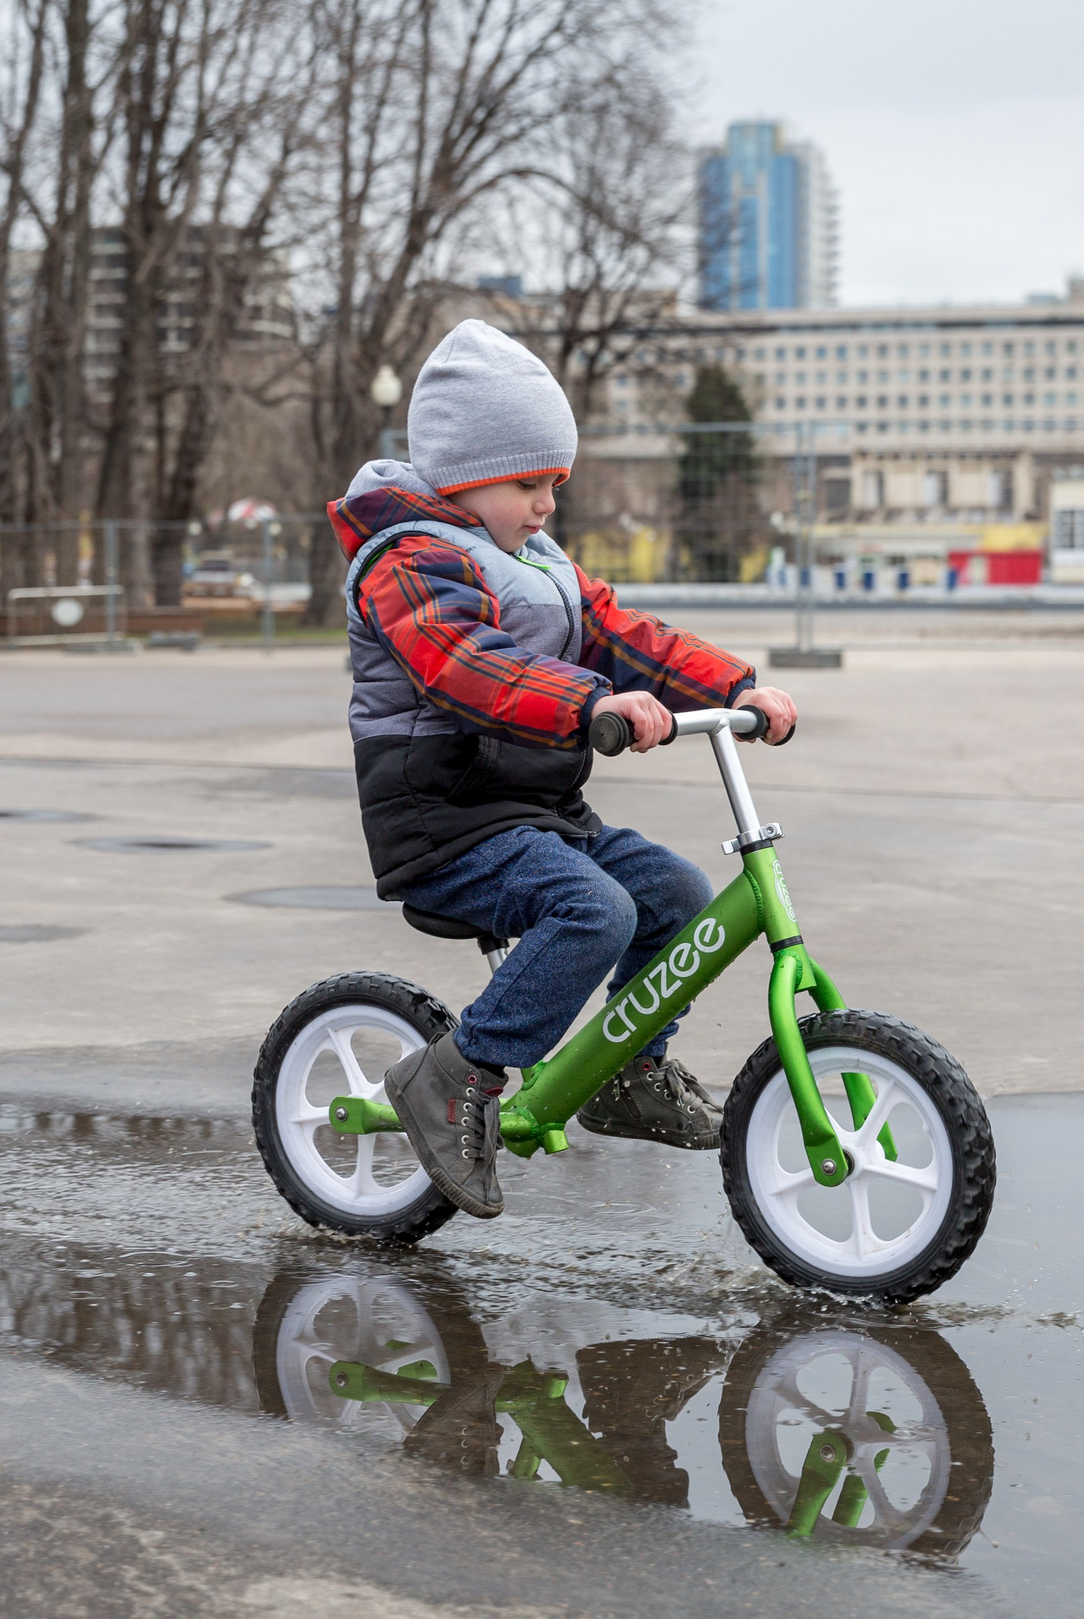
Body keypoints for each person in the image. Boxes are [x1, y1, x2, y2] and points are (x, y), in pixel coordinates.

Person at [333, 318, 797, 1220]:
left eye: (555, 484)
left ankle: (630, 1072)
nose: (546, 505)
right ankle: (454, 1075)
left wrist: (740, 685)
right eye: (527, 483)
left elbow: (631, 640)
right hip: (446, 817)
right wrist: (588, 706)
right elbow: (462, 663)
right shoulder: (405, 560)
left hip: (538, 810)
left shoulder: (538, 562)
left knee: (674, 890)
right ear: (462, 478)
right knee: (596, 910)